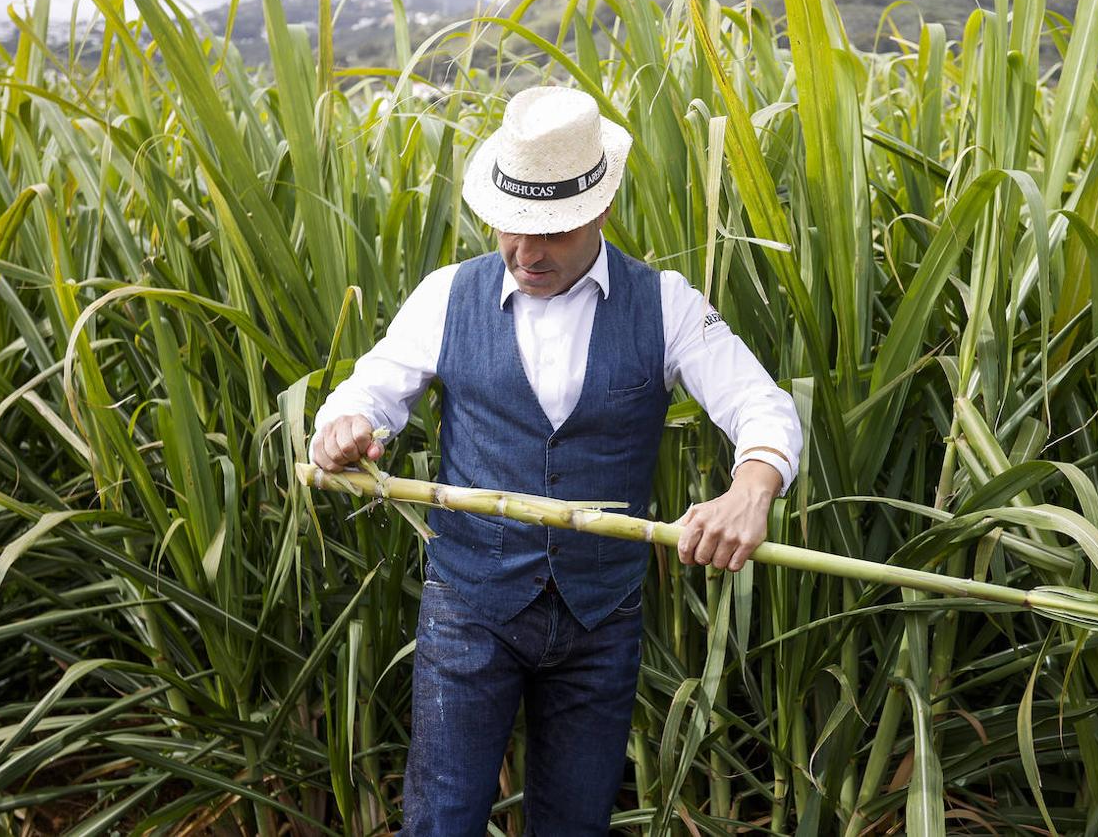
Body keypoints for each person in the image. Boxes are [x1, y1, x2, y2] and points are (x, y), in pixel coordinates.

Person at [308, 85, 802, 835]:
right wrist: (343, 428)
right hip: (470, 608)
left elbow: (761, 406)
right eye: (512, 227)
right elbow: (363, 394)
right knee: (443, 818)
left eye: (552, 233)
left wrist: (752, 489)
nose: (526, 252)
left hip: (600, 617)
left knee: (575, 823)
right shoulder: (448, 297)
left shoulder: (664, 304)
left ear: (599, 212)